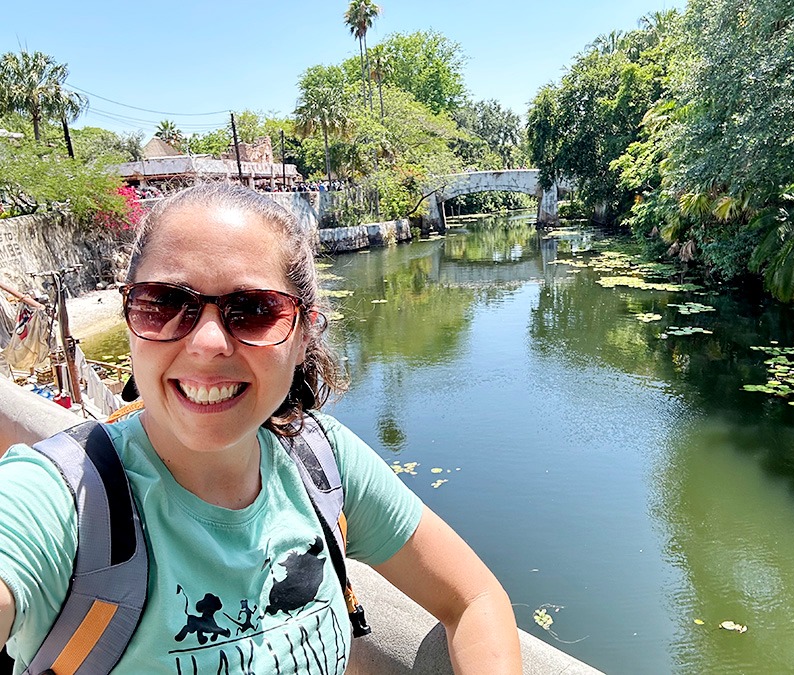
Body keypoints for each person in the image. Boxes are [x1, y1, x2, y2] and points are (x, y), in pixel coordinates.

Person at [0, 183, 522, 674]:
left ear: (302, 337)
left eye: (251, 311)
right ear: (131, 316)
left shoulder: (320, 460)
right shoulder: (60, 499)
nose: (207, 343)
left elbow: (473, 597)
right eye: (165, 303)